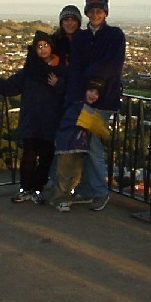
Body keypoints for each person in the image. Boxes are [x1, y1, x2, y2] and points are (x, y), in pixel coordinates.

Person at [0, 30, 67, 203]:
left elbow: (68, 91)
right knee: (28, 158)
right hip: (31, 120)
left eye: (46, 45)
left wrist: (58, 84)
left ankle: (37, 191)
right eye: (39, 46)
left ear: (52, 47)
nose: (43, 49)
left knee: (46, 159)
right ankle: (25, 189)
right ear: (34, 49)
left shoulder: (61, 70)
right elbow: (10, 85)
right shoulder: (29, 71)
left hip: (51, 121)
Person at [63, 0, 126, 211]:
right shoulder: (81, 38)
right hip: (83, 99)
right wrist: (77, 95)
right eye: (92, 12)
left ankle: (100, 192)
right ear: (87, 14)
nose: (96, 15)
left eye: (100, 11)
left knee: (93, 146)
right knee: (85, 146)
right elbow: (75, 68)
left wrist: (91, 84)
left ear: (106, 13)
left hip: (104, 99)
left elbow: (113, 65)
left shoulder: (115, 35)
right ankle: (89, 190)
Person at [49, 78, 110, 212]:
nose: (93, 95)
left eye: (97, 93)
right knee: (65, 173)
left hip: (76, 144)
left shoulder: (80, 105)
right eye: (91, 91)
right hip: (68, 144)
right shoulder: (80, 106)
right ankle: (61, 199)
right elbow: (96, 128)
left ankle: (66, 197)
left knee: (74, 173)